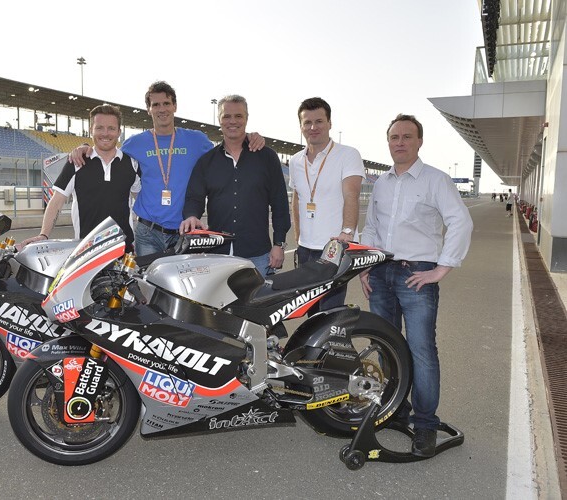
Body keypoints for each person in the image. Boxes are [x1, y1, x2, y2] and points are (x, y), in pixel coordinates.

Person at [359, 114, 473, 458]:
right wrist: (366, 266)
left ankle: (425, 424)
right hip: (380, 273)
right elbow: (372, 226)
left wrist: (442, 269)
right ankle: (397, 410)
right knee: (386, 348)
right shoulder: (381, 183)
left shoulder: (435, 180)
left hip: (416, 275)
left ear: (419, 141)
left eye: (406, 136)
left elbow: (460, 221)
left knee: (421, 351)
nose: (399, 142)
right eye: (394, 137)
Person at [69, 81, 265, 256]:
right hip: (147, 232)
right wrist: (85, 147)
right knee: (147, 291)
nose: (161, 109)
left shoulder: (196, 140)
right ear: (148, 109)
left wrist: (248, 137)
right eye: (155, 105)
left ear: (175, 106)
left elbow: (225, 151)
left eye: (166, 103)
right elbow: (107, 148)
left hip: (184, 232)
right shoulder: (134, 144)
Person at [180, 95, 290, 277]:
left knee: (259, 305)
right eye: (226, 116)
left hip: (258, 256)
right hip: (217, 256)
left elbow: (280, 204)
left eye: (238, 116)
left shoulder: (267, 157)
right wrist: (191, 215)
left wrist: (279, 244)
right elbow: (194, 197)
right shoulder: (206, 162)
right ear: (219, 120)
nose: (232, 121)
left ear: (246, 118)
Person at [21, 104, 140, 249]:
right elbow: (57, 201)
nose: (105, 133)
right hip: (86, 251)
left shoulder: (132, 164)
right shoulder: (77, 162)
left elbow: (141, 200)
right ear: (91, 130)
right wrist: (44, 234)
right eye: (99, 128)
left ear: (119, 132)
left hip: (124, 249)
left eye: (111, 128)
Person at [289, 97, 365, 310]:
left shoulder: (348, 154)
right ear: (301, 126)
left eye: (319, 121)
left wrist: (347, 232)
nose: (313, 127)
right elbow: (297, 199)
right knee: (309, 310)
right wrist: (298, 237)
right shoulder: (295, 161)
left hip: (334, 247)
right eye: (307, 122)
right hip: (306, 248)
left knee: (329, 311)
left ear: (330, 123)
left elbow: (352, 194)